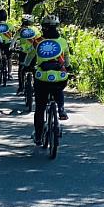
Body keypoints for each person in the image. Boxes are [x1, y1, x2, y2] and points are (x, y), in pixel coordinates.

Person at [23, 14, 71, 145]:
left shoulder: (37, 41)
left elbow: (30, 56)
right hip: (60, 77)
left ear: (43, 27)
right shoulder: (63, 41)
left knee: (40, 108)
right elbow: (67, 59)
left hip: (42, 78)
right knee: (58, 89)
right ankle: (61, 109)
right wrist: (67, 67)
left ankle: (38, 136)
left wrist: (26, 66)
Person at [13, 14, 41, 95]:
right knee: (34, 69)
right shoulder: (36, 30)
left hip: (23, 52)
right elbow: (39, 40)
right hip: (34, 52)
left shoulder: (20, 30)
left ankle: (21, 88)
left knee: (21, 70)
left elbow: (14, 39)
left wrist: (11, 47)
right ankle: (36, 88)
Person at [0, 7, 14, 79]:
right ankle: (10, 73)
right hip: (8, 43)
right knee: (9, 58)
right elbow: (13, 33)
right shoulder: (10, 25)